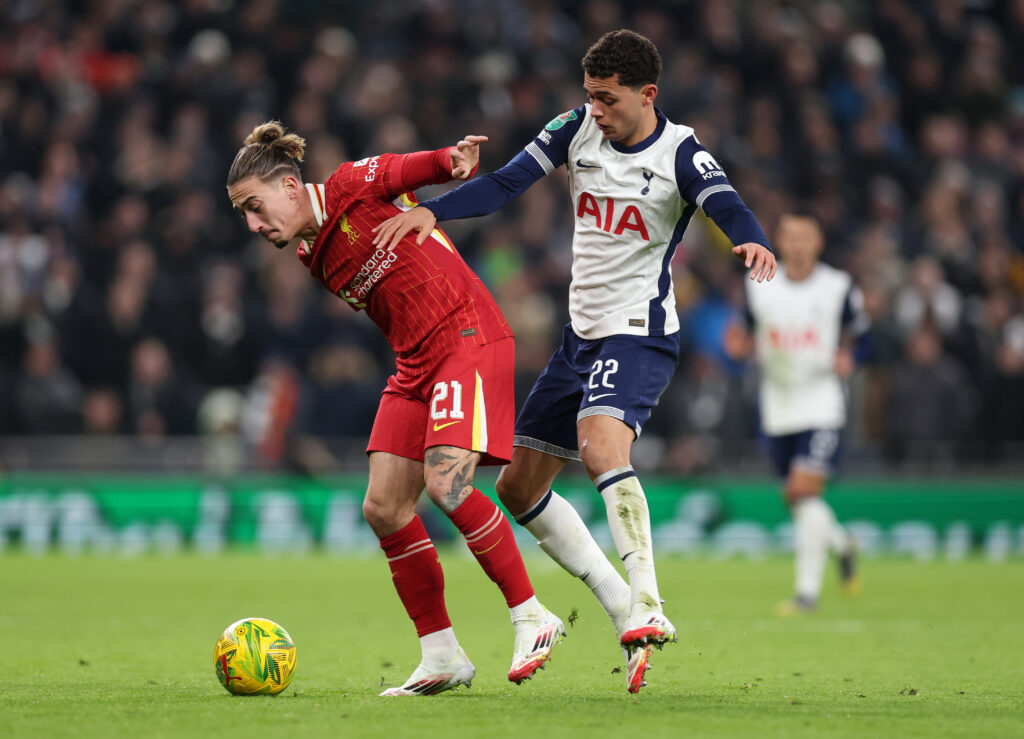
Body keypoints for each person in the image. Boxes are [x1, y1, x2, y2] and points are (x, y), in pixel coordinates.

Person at [373, 29, 776, 692]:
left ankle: (648, 600)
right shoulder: (574, 128)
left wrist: (752, 241)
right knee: (518, 488)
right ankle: (622, 607)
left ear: (647, 95)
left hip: (638, 333)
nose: (596, 109)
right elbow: (505, 183)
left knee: (599, 445)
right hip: (579, 338)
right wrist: (433, 214)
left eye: (608, 99)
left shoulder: (681, 152)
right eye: (590, 96)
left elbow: (727, 204)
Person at [226, 121, 564, 697]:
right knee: (383, 507)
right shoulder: (310, 253)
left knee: (446, 484)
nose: (254, 225)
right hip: (415, 365)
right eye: (244, 215)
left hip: (466, 336)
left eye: (255, 207)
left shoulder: (348, 185)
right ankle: (441, 655)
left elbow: (405, 169)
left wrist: (450, 160)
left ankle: (532, 615)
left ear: (289, 185)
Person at [724, 211, 867, 614]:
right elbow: (743, 333)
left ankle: (807, 594)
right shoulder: (758, 284)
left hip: (821, 402)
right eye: (790, 237)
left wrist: (851, 357)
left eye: (806, 237)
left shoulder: (837, 287)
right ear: (779, 242)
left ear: (819, 242)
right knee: (797, 499)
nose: (798, 245)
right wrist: (737, 345)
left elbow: (866, 337)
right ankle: (842, 544)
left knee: (802, 492)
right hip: (777, 404)